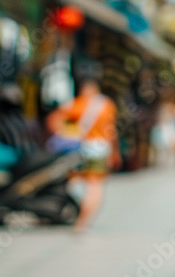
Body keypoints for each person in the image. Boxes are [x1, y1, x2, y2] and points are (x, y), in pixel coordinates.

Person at [46, 64, 119, 232]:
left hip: (80, 149)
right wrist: (114, 152)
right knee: (95, 186)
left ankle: (78, 214)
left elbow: (52, 121)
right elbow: (111, 132)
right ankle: (83, 220)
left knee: (75, 180)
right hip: (100, 149)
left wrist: (70, 131)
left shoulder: (75, 104)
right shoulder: (106, 105)